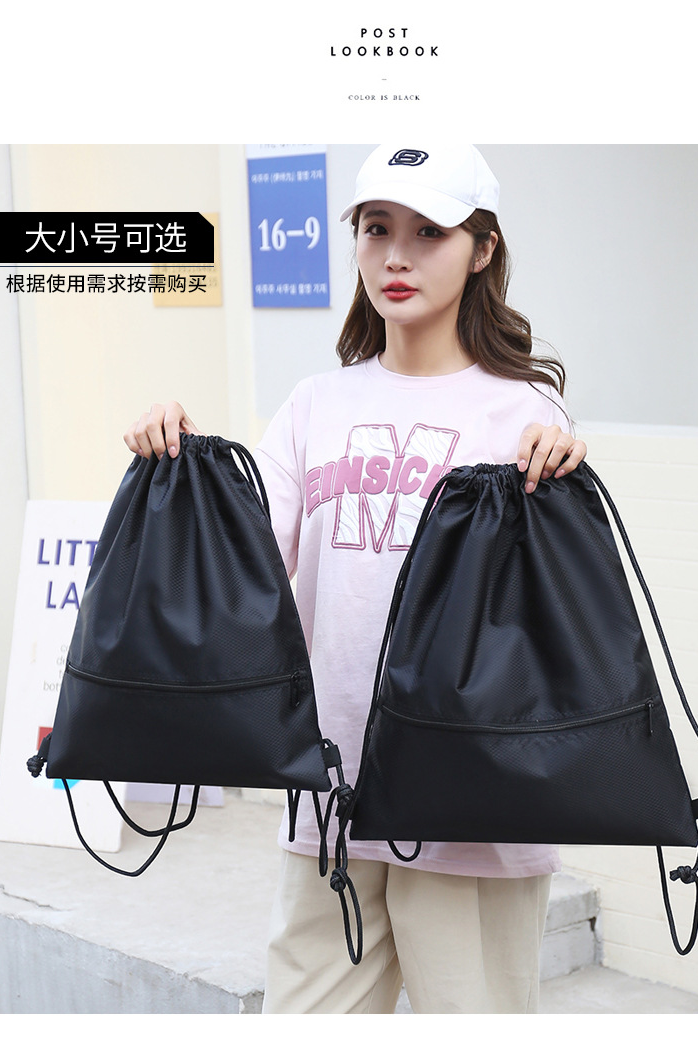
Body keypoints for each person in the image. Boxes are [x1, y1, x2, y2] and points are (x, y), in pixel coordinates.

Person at [124, 144, 588, 1014]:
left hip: (472, 808)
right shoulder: (315, 404)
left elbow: (551, 616)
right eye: (377, 229)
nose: (396, 256)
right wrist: (180, 459)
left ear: (483, 249)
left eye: (428, 232)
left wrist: (559, 468)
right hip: (332, 797)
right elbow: (246, 559)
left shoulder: (525, 412)